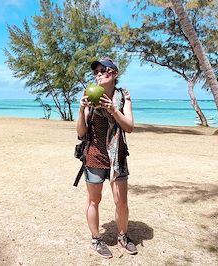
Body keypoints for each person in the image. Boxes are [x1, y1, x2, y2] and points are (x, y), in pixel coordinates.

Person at [76, 57, 137, 258]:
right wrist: (81, 109)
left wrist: (113, 110)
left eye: (104, 70)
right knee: (94, 200)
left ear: (115, 74)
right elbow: (81, 133)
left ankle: (122, 237)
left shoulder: (123, 97)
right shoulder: (89, 96)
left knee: (121, 202)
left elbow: (129, 127)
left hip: (117, 156)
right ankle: (96, 239)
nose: (99, 74)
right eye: (96, 71)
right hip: (94, 156)